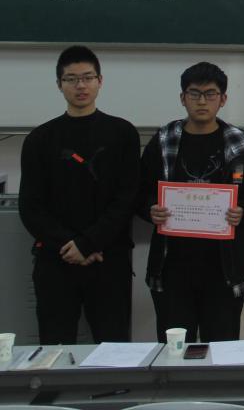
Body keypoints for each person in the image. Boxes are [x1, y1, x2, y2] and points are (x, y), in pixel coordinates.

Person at [138, 61, 244, 342]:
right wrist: (150, 210)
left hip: (224, 270)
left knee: (221, 350)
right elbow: (138, 191)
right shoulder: (163, 140)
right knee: (174, 350)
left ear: (223, 99)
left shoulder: (241, 143)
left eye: (210, 94)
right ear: (182, 97)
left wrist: (243, 211)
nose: (201, 101)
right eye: (194, 93)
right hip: (172, 268)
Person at [19, 45, 140, 345]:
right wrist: (70, 245)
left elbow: (126, 199)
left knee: (113, 350)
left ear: (100, 81)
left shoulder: (123, 133)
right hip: (56, 260)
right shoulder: (39, 139)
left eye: (87, 77)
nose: (80, 85)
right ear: (59, 84)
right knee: (54, 348)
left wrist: (88, 243)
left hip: (108, 259)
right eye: (71, 79)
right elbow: (31, 207)